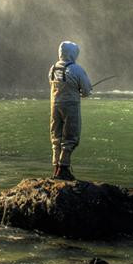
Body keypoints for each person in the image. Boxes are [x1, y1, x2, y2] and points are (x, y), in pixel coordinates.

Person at [48, 40, 92, 181]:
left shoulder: (53, 68)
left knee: (56, 137)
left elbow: (53, 85)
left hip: (55, 105)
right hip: (71, 105)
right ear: (73, 53)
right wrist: (83, 92)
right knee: (70, 137)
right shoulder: (76, 69)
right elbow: (86, 91)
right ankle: (64, 169)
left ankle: (56, 168)